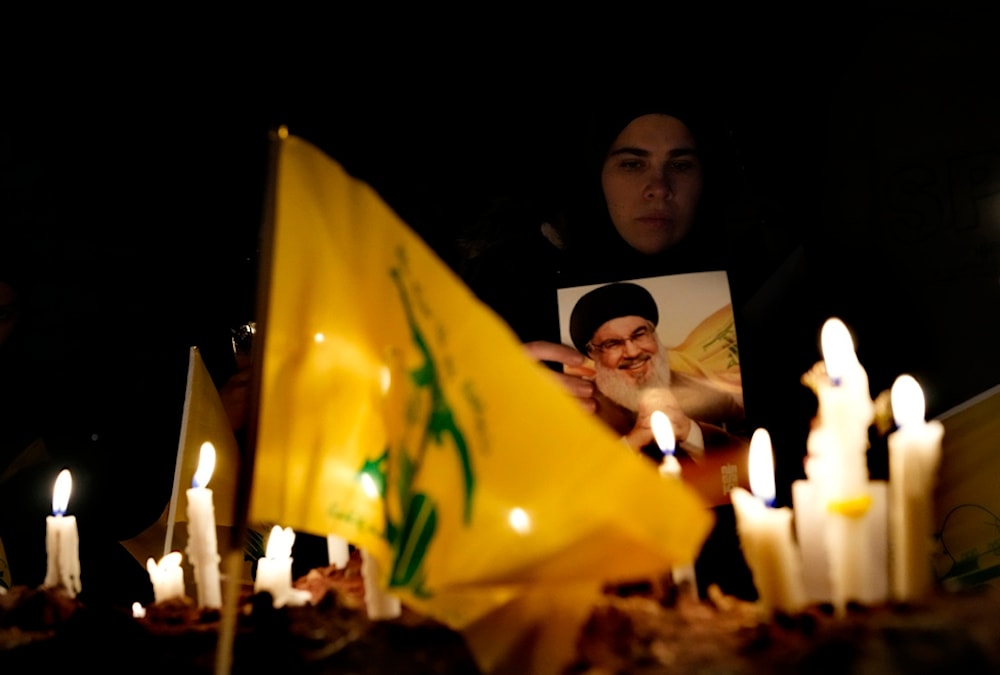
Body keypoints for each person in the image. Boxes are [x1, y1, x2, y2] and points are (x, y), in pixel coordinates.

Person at [458, 95, 810, 600]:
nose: (658, 188)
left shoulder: (765, 286)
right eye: (632, 163)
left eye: (681, 165)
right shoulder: (514, 298)